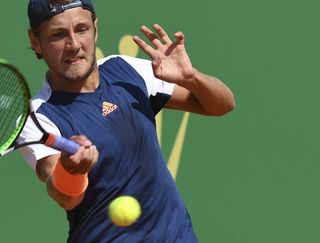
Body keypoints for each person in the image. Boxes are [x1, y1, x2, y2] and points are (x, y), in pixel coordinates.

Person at [19, 0, 235, 242]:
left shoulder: (126, 70)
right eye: (58, 35)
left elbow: (223, 105)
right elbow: (65, 198)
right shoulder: (38, 116)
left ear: (95, 29)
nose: (74, 44)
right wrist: (71, 170)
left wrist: (191, 77)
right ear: (35, 42)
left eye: (81, 29)